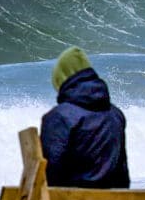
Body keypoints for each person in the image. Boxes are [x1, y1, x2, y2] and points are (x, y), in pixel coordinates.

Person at [41, 46, 130, 188]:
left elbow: (50, 173)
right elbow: (122, 174)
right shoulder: (116, 115)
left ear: (61, 78)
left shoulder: (59, 117)